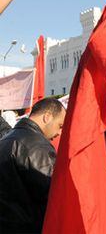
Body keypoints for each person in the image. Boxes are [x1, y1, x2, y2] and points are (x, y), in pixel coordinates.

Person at [0, 97, 65, 233]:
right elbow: (53, 194)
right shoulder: (38, 146)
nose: (59, 133)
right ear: (47, 117)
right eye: (60, 125)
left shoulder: (5, 140)